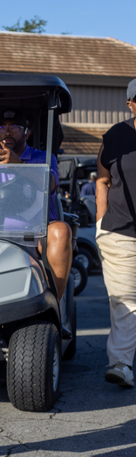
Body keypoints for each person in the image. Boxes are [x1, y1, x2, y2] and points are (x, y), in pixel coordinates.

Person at [0, 110, 72, 301]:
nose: (8, 132)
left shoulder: (42, 158)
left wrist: (18, 165)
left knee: (61, 230)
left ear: (26, 133)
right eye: (2, 128)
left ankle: (53, 302)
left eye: (14, 127)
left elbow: (50, 184)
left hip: (32, 235)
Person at [95, 78, 136, 389]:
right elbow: (102, 181)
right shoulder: (115, 137)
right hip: (121, 233)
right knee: (125, 302)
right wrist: (100, 220)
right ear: (130, 104)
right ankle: (121, 363)